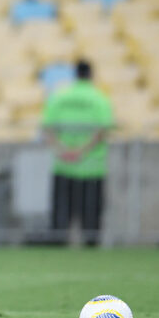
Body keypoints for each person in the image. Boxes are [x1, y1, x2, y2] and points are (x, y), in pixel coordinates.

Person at [41, 59, 113, 246]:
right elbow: (102, 131)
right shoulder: (99, 98)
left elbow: (48, 129)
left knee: (61, 213)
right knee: (91, 215)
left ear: (75, 74)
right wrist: (81, 152)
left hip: (63, 165)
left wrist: (65, 151)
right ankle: (90, 246)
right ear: (91, 74)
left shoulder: (59, 96)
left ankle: (58, 245)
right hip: (92, 166)